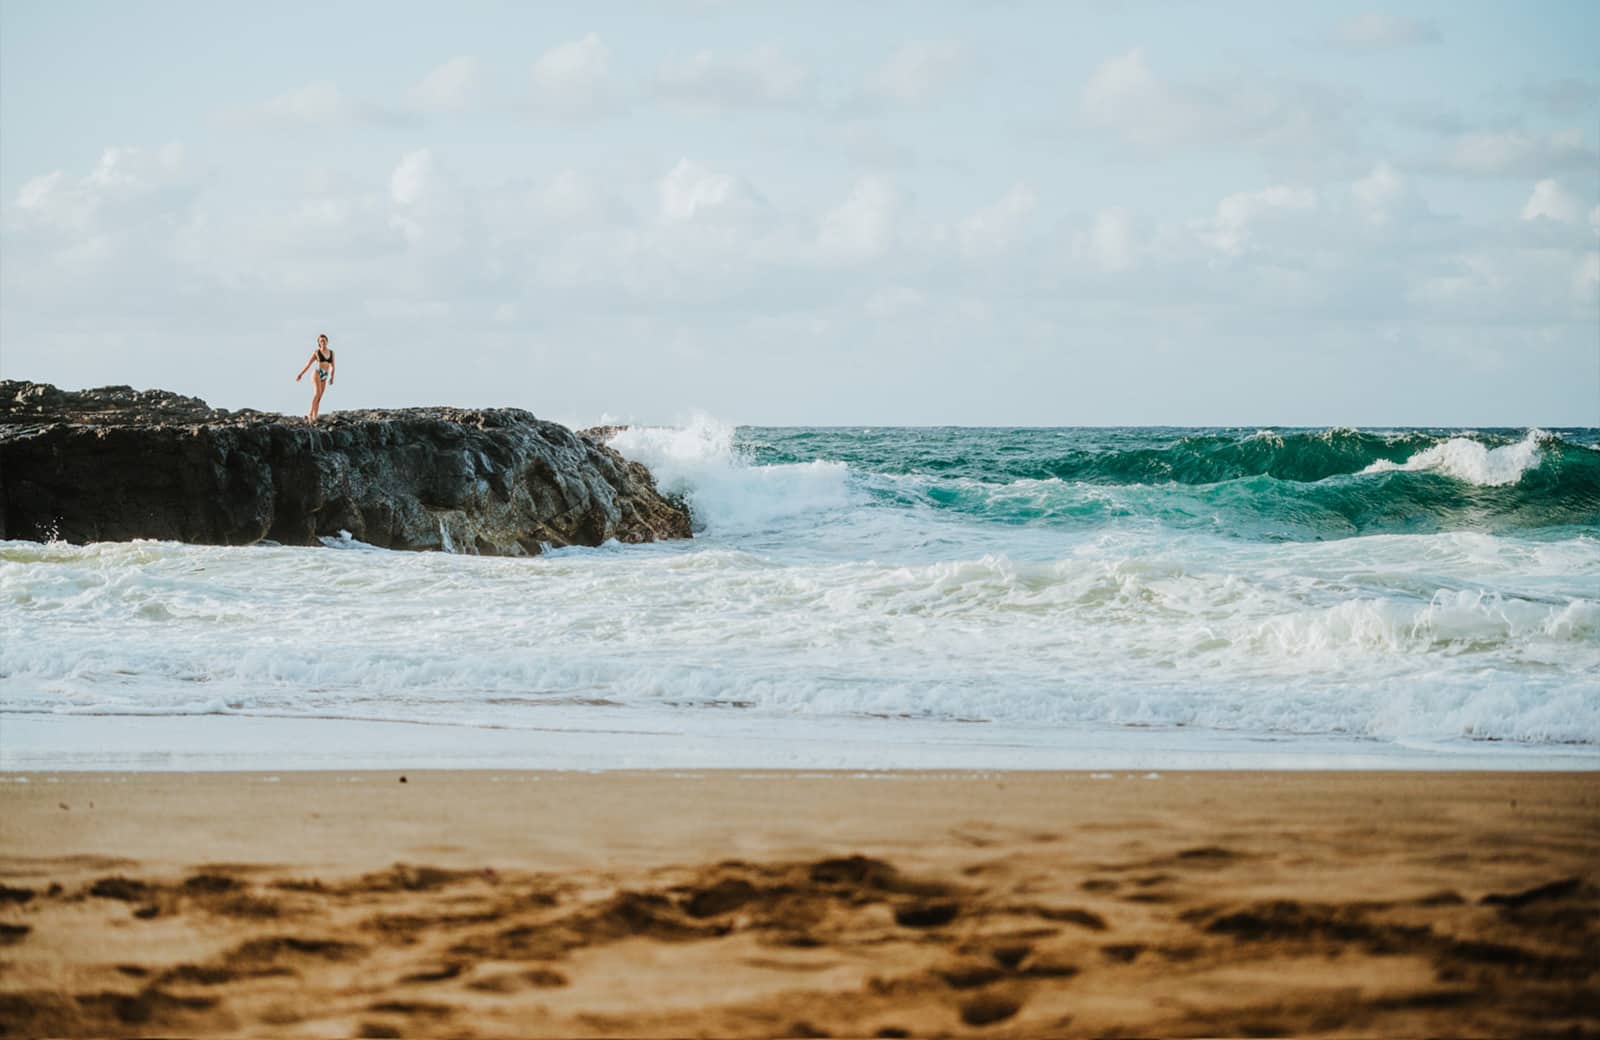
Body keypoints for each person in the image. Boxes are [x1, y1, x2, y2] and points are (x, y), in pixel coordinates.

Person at [295, 334, 337, 421]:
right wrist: (301, 374)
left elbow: (332, 366)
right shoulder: (316, 352)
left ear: (327, 341)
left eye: (324, 340)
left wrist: (332, 377)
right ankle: (310, 414)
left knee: (320, 396)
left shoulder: (331, 353)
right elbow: (308, 364)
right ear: (319, 343)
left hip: (325, 375)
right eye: (321, 341)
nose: (323, 342)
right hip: (317, 373)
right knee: (317, 393)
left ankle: (315, 416)